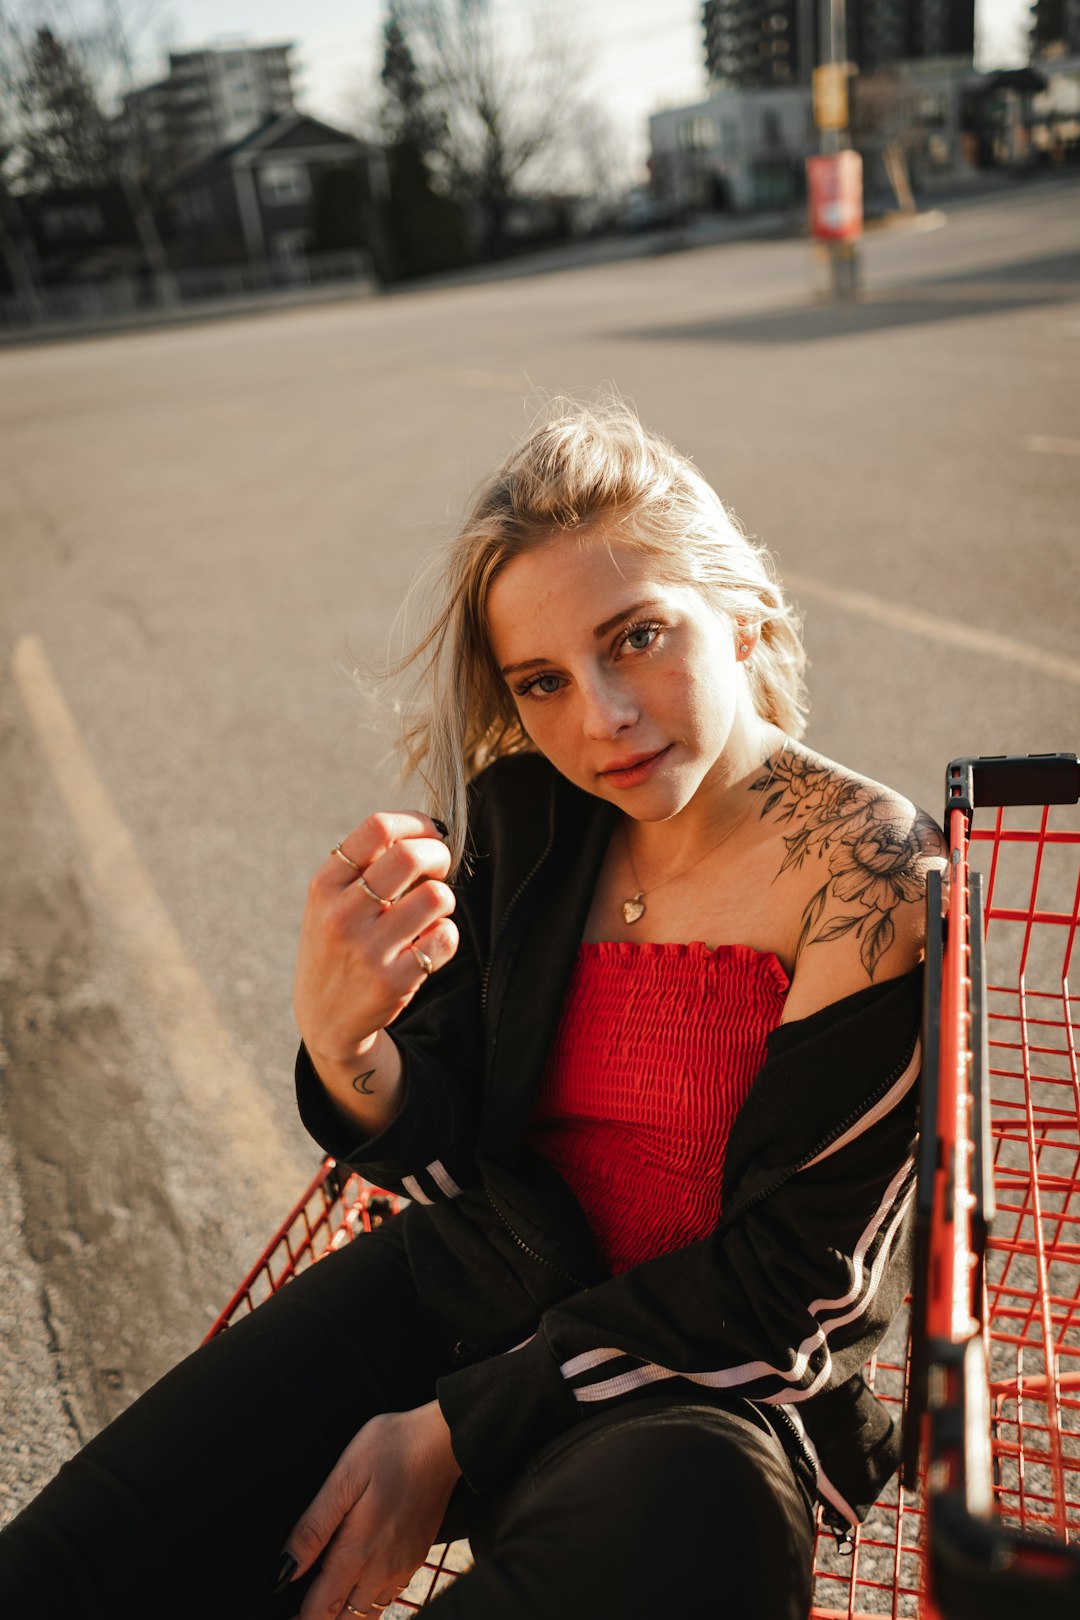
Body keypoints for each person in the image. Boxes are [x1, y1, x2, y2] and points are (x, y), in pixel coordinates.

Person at [0, 397, 944, 1619]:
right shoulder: (529, 819)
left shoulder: (869, 873)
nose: (598, 718)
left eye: (639, 637)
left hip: (700, 1401)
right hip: (480, 1281)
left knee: (693, 1523)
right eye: (542, 681)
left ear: (746, 612)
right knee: (79, 1563)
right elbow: (448, 1131)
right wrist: (349, 1046)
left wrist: (450, 1433)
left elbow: (784, 1293)